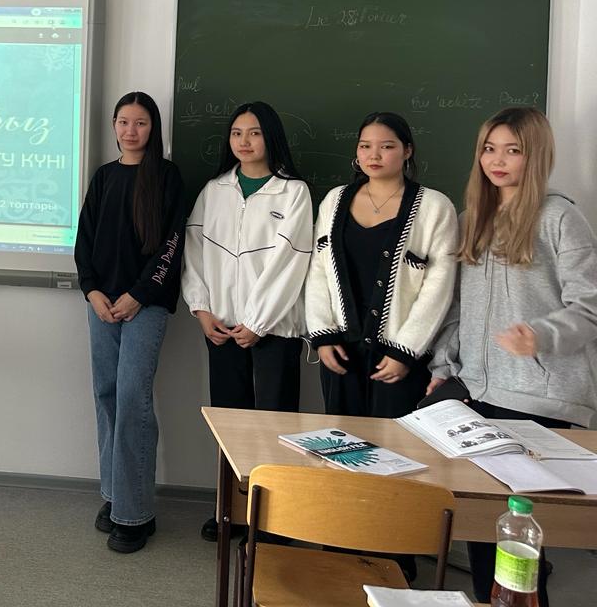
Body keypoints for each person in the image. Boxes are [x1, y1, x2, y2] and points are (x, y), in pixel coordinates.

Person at [429, 106, 597, 607]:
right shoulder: (471, 220)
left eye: (512, 150)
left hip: (538, 395)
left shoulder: (560, 217)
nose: (497, 160)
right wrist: (444, 367)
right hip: (479, 390)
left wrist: (540, 336)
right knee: (486, 524)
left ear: (535, 155)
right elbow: (457, 309)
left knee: (519, 536)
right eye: (489, 149)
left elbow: (589, 306)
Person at [182, 101, 313, 543]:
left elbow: (291, 263)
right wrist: (201, 309)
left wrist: (258, 321)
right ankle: (231, 510)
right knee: (230, 423)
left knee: (275, 424)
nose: (244, 141)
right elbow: (194, 251)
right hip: (220, 326)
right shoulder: (214, 190)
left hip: (273, 329)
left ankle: (274, 520)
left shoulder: (293, 192)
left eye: (254, 133)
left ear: (270, 137)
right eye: (237, 133)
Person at [75, 91, 187, 554]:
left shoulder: (166, 176)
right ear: (114, 126)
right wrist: (92, 291)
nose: (130, 130)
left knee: (131, 400)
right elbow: (84, 239)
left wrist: (138, 295)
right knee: (106, 394)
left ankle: (135, 513)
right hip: (102, 304)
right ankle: (115, 493)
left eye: (140, 122)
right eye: (123, 121)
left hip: (146, 305)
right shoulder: (104, 176)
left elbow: (172, 244)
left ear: (152, 127)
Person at [306, 111, 458, 419]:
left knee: (399, 443)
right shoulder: (335, 200)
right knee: (343, 441)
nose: (373, 155)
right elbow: (318, 271)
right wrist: (323, 335)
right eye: (365, 146)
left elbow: (439, 286)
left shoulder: (434, 207)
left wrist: (405, 349)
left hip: (399, 358)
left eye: (387, 146)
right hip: (341, 351)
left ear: (407, 150)